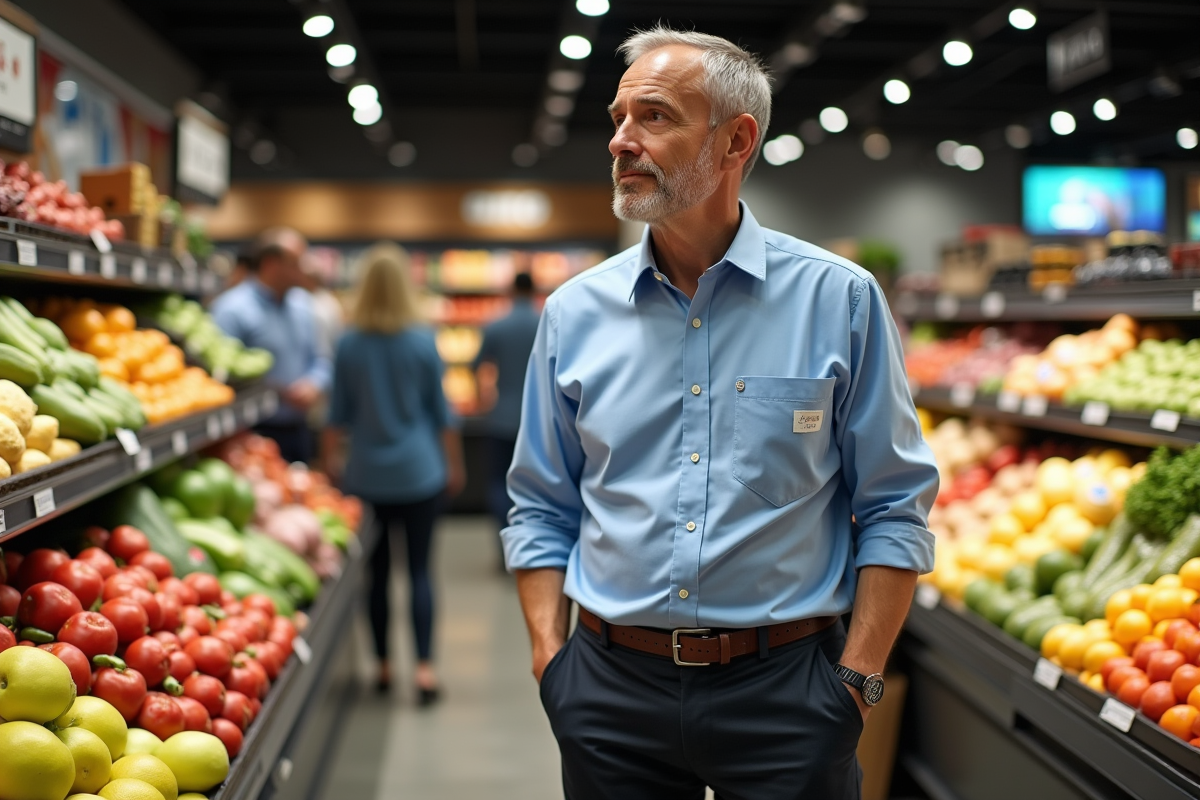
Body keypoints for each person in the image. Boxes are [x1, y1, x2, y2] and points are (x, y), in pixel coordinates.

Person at [503, 26, 939, 799]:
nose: (621, 141)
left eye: (654, 117)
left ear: (737, 140)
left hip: (788, 694)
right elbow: (541, 503)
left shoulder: (838, 299)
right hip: (608, 689)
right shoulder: (575, 312)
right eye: (617, 118)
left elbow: (894, 504)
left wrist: (859, 679)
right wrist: (551, 659)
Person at [322, 242, 466, 705]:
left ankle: (382, 665)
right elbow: (442, 413)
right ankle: (424, 669)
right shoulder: (422, 341)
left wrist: (330, 466)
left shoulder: (349, 343)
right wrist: (454, 464)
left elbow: (336, 415)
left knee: (377, 575)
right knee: (420, 571)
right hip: (420, 471)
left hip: (367, 475)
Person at [211, 228, 330, 463]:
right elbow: (219, 374)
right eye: (296, 263)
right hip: (251, 431)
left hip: (299, 428)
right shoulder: (231, 309)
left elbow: (321, 358)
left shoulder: (304, 306)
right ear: (271, 264)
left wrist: (314, 383)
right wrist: (273, 389)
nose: (304, 270)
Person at [472, 272, 541, 560]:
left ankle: (505, 545)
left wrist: (482, 398)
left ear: (512, 291)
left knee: (499, 483)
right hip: (538, 420)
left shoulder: (496, 325)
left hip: (501, 417)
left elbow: (476, 365)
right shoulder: (545, 321)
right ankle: (531, 547)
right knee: (535, 485)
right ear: (534, 290)